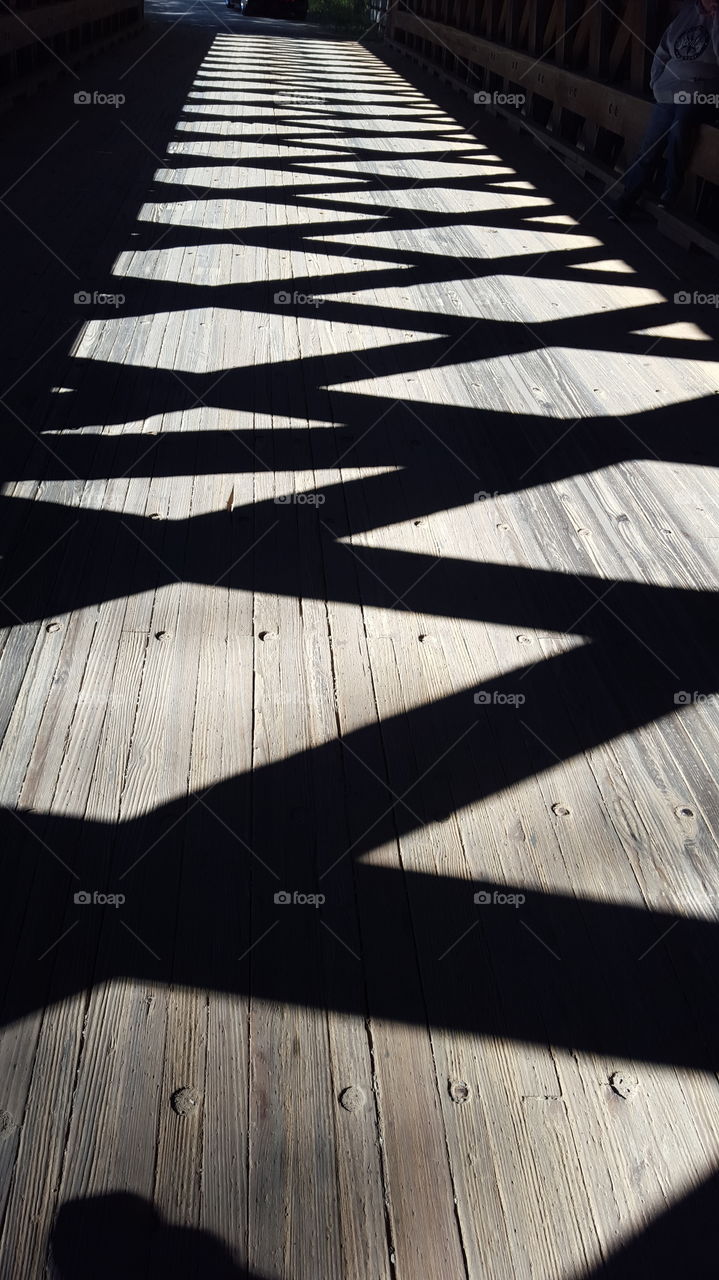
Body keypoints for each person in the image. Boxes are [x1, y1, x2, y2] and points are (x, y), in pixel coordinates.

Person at [610, 0, 719, 217]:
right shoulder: (688, 11)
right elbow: (664, 48)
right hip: (669, 88)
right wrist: (655, 81)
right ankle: (628, 197)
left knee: (681, 127)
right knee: (650, 143)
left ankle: (671, 188)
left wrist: (717, 21)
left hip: (701, 91)